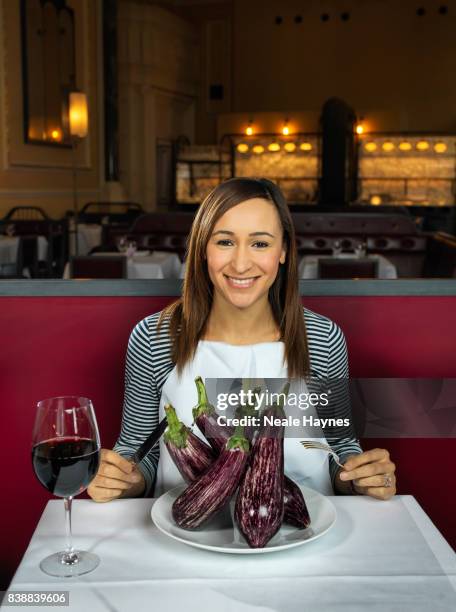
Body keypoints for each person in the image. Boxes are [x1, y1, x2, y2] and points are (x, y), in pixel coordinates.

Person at [88, 178, 396, 503]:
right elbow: (139, 452)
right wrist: (123, 478)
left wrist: (361, 477)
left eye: (260, 244)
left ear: (284, 251)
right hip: (184, 534)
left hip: (307, 530)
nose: (240, 263)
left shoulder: (323, 339)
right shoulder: (155, 338)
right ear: (203, 249)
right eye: (224, 242)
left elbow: (339, 447)